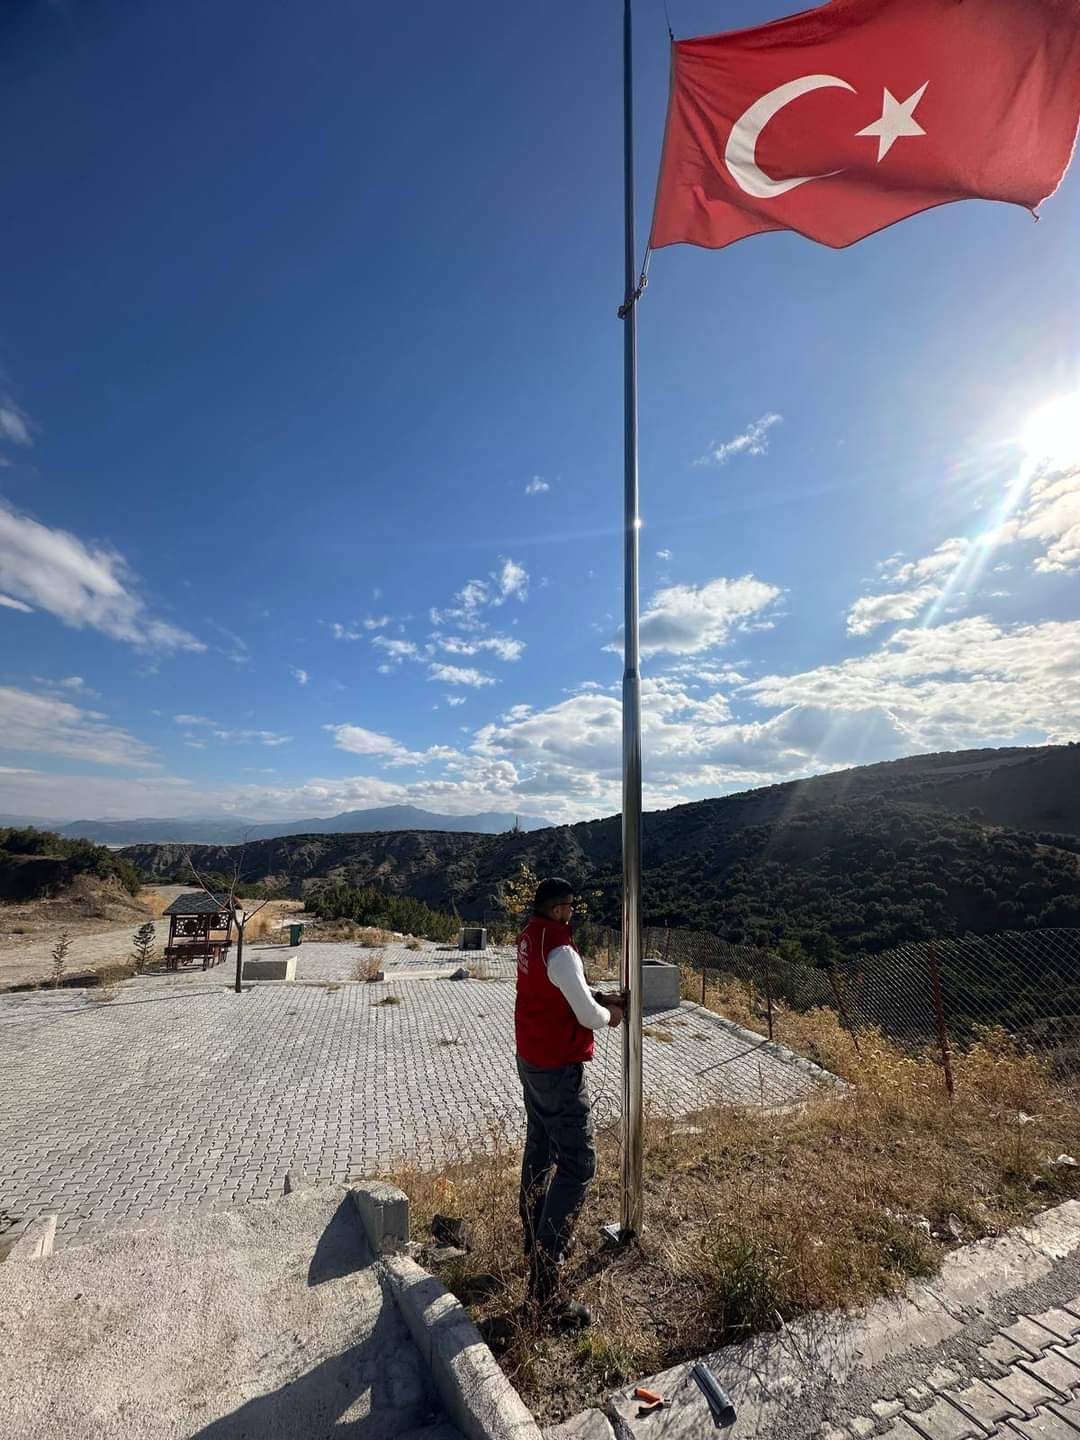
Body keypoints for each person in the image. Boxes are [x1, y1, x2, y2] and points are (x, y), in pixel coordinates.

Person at [514, 876, 625, 1327]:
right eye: (568, 907)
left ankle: (532, 1234)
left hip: (531, 1060)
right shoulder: (561, 950)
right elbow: (585, 1014)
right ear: (558, 909)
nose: (572, 914)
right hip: (559, 1068)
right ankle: (546, 1286)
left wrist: (593, 994)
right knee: (579, 1165)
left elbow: (559, 991)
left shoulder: (529, 937)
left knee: (540, 1147)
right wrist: (610, 1013)